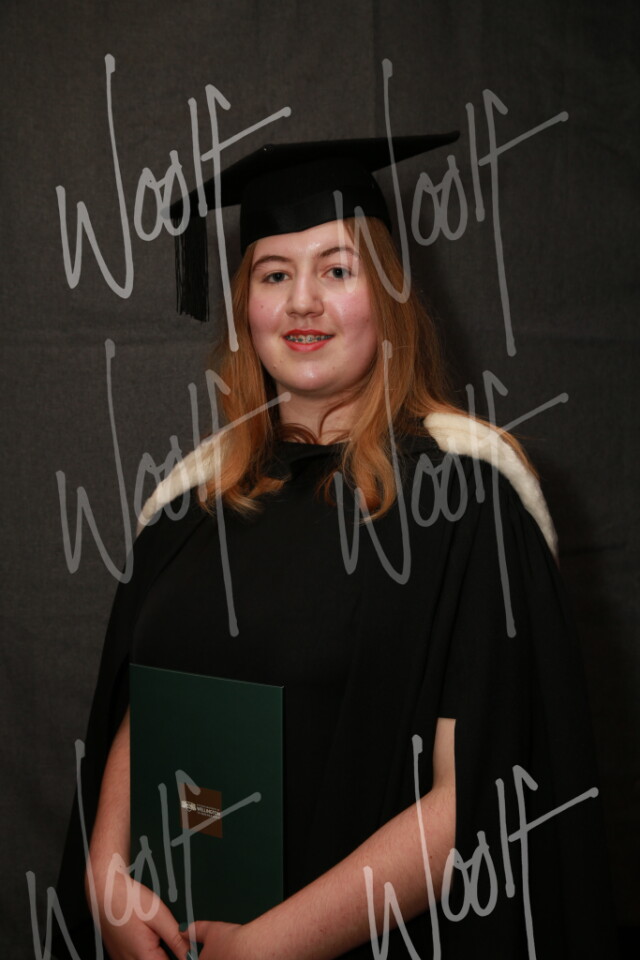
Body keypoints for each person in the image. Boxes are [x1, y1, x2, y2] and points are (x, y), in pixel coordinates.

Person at [53, 137, 616, 960]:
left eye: (338, 269)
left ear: (387, 295)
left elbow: (473, 796)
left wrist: (268, 948)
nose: (302, 303)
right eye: (274, 275)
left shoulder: (466, 502)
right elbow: (147, 701)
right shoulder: (188, 505)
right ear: (245, 306)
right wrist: (107, 873)